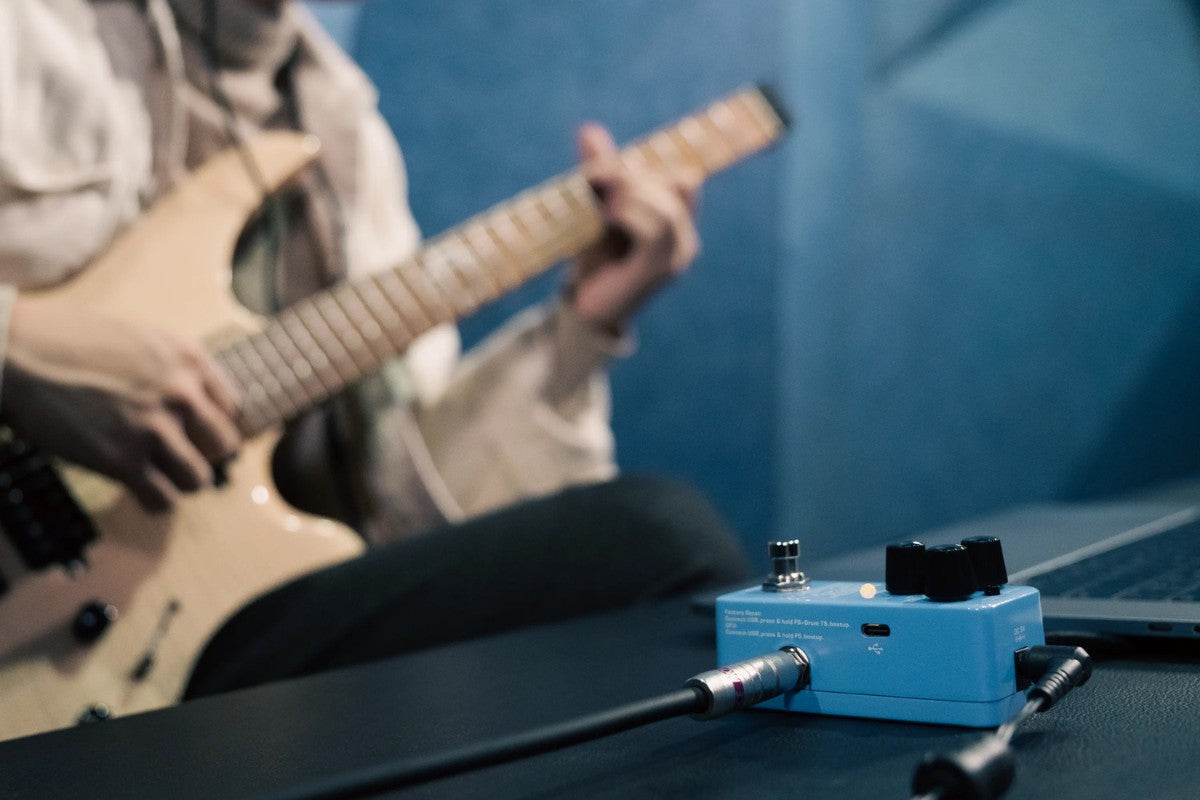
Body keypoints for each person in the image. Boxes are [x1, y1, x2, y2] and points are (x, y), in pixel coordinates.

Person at [0, 0, 749, 700]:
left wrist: (579, 329)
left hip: (186, 639)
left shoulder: (347, 140)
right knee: (664, 536)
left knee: (644, 572)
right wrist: (18, 347)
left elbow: (407, 509)